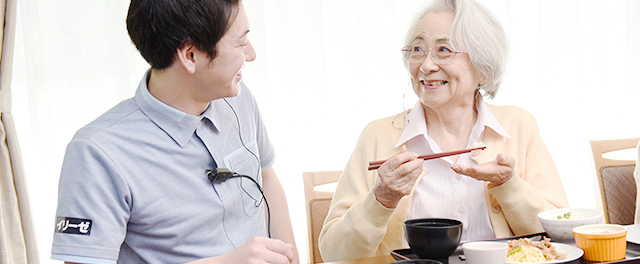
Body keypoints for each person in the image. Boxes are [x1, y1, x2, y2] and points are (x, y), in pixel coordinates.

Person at [318, 0, 569, 261]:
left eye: (443, 50)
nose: (426, 66)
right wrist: (381, 199)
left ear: (482, 67)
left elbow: (562, 239)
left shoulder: (518, 126)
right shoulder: (377, 136)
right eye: (417, 49)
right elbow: (333, 253)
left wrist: (509, 186)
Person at [51, 0, 299, 263]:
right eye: (240, 43)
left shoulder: (238, 99)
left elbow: (267, 178)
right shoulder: (96, 152)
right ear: (190, 55)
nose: (251, 54)